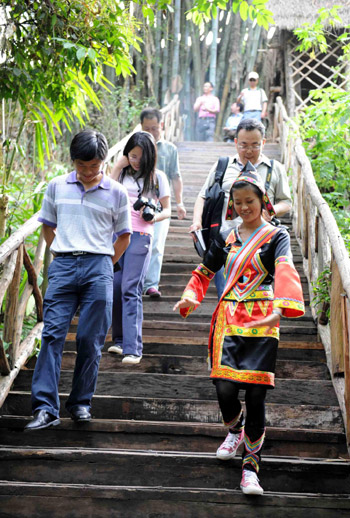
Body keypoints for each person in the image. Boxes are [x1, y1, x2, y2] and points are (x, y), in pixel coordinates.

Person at [174, 168, 305, 495]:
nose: (244, 207)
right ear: (231, 205)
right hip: (229, 316)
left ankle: (251, 468)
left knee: (256, 395)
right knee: (225, 389)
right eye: (238, 202)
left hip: (262, 319)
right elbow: (205, 270)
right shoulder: (226, 236)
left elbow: (285, 269)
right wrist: (190, 295)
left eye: (250, 201)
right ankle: (235, 430)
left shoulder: (277, 237)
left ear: (263, 201)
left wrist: (278, 309)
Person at [25, 130, 132, 431]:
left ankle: (81, 402)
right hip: (63, 265)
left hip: (99, 265)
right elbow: (48, 227)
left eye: (94, 167)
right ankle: (45, 408)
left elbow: (124, 236)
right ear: (72, 161)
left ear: (104, 161)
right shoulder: (57, 186)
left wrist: (104, 263)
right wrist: (62, 254)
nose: (87, 173)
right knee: (52, 335)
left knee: (90, 339)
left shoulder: (116, 192)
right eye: (81, 166)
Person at [190, 118, 292, 298]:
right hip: (226, 243)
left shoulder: (274, 168)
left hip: (261, 246)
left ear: (264, 143)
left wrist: (270, 210)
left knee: (258, 296)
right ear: (236, 142)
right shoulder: (223, 165)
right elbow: (203, 195)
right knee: (227, 294)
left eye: (255, 145)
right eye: (244, 145)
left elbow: (287, 202)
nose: (249, 151)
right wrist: (197, 222)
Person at [108, 131, 171, 364]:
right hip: (116, 234)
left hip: (141, 235)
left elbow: (167, 210)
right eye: (132, 156)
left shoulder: (158, 178)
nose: (135, 161)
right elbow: (106, 194)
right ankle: (119, 340)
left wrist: (153, 217)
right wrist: (117, 166)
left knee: (130, 288)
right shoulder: (122, 173)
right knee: (115, 287)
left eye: (140, 157)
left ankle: (134, 349)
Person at [140, 107, 186, 298]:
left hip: (161, 206)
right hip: (139, 204)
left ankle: (151, 284)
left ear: (162, 126)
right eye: (146, 129)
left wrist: (180, 203)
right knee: (138, 244)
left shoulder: (169, 149)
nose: (151, 133)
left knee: (157, 245)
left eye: (154, 128)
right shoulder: (137, 148)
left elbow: (176, 176)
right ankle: (135, 281)